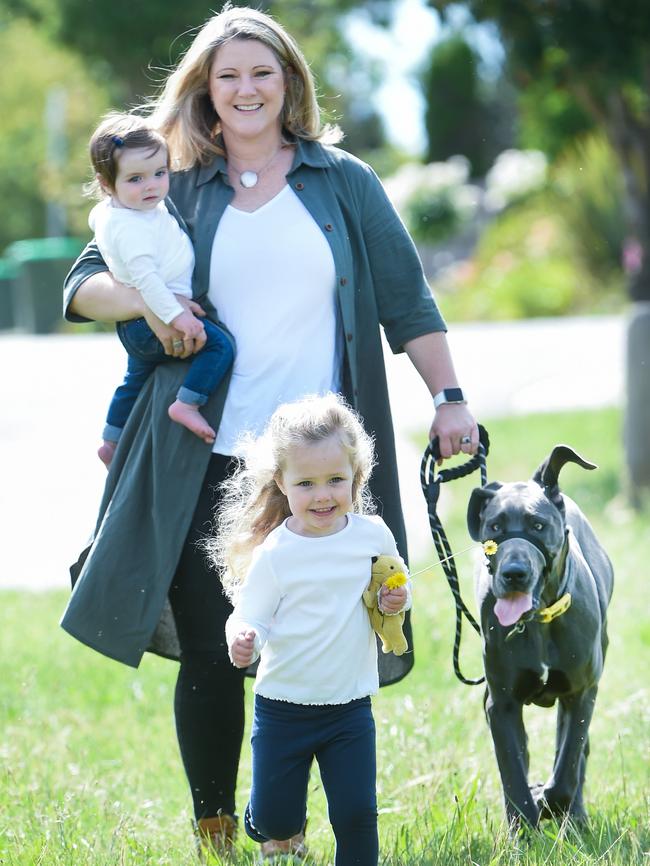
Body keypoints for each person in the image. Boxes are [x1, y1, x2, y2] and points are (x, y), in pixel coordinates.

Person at [60, 4, 478, 859]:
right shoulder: (172, 182)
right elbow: (82, 286)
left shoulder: (343, 181)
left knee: (320, 653)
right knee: (220, 654)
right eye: (227, 75)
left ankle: (303, 828)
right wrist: (149, 300)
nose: (246, 88)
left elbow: (407, 300)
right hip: (203, 456)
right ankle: (217, 829)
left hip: (317, 465)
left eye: (261, 71)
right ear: (205, 92)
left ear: (288, 80)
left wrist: (450, 396)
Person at [209, 393, 411, 866]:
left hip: (349, 706)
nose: (323, 495)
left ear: (356, 476)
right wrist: (244, 640)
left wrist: (395, 598)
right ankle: (264, 820)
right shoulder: (276, 553)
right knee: (278, 822)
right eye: (307, 483)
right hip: (283, 709)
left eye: (336, 480)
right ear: (281, 482)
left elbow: (395, 584)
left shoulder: (373, 535)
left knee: (358, 813)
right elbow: (249, 616)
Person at [87, 113, 234, 466]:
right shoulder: (132, 228)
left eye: (159, 173)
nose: (151, 185)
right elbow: (146, 279)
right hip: (154, 317)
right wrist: (176, 315)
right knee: (219, 346)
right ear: (107, 184)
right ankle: (187, 403)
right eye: (135, 179)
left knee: (134, 378)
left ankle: (111, 437)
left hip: (135, 325)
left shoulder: (117, 211)